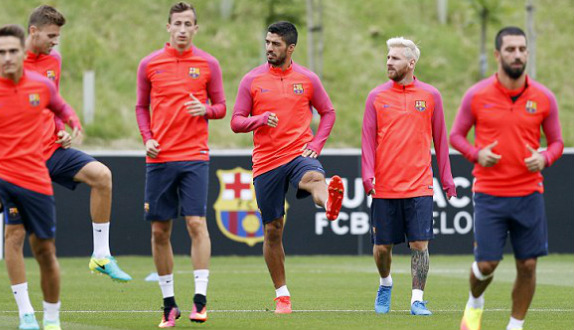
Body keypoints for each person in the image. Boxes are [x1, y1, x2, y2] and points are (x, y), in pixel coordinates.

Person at [0, 5, 131, 329]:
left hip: (52, 150)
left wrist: (60, 126)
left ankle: (100, 255)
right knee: (15, 237)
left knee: (102, 176)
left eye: (58, 36)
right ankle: (26, 312)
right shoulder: (6, 62)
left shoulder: (53, 60)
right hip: (19, 162)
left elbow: (49, 98)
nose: (56, 42)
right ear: (33, 32)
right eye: (52, 36)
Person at [0, 24, 80, 330]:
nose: (7, 57)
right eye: (1, 52)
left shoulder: (41, 87)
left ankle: (51, 319)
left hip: (34, 176)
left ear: (23, 52)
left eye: (12, 51)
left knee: (45, 253)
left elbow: (60, 107)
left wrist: (71, 122)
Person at [451, 27, 563, 330]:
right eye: (511, 49)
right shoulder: (477, 95)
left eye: (522, 49)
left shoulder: (544, 98)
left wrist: (544, 158)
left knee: (528, 265)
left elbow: (557, 143)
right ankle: (475, 303)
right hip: (489, 193)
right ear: (498, 55)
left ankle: (515, 326)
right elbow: (456, 136)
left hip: (529, 194)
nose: (517, 54)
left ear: (527, 53)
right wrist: (476, 154)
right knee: (487, 264)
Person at [231, 21, 344, 315]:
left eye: (276, 44)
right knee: (273, 229)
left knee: (313, 175)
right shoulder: (252, 80)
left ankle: (329, 200)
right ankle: (282, 294)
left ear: (290, 48)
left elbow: (328, 112)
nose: (269, 48)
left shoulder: (307, 79)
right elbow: (236, 121)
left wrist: (317, 144)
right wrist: (258, 119)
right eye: (268, 42)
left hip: (298, 153)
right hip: (266, 162)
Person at [135, 2, 226, 327]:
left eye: (189, 23)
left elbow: (221, 107)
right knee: (160, 231)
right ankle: (168, 304)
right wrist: (146, 136)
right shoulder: (149, 64)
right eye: (178, 23)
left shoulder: (208, 63)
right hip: (159, 159)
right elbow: (140, 107)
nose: (183, 29)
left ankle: (200, 301)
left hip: (194, 157)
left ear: (196, 28)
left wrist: (206, 110)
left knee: (196, 225)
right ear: (169, 27)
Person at [361, 37, 457, 316]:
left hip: (420, 185)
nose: (388, 61)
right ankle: (385, 283)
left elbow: (441, 141)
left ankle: (417, 299)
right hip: (385, 186)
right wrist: (368, 175)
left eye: (395, 58)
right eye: (388, 57)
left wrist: (447, 180)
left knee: (419, 245)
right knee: (381, 249)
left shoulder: (430, 96)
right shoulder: (376, 97)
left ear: (411, 63)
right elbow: (367, 141)